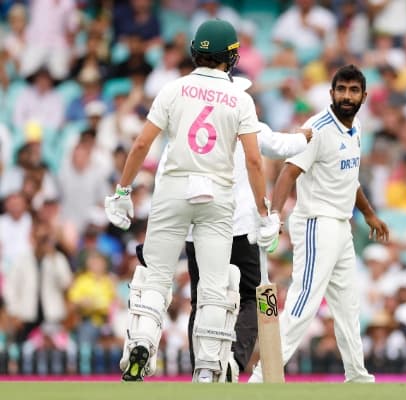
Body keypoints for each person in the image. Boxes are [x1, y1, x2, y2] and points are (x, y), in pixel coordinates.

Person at [104, 19, 280, 383]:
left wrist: (122, 192)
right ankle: (208, 368)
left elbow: (140, 144)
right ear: (230, 57)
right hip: (217, 195)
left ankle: (141, 341)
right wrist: (266, 212)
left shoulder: (173, 89)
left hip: (173, 191)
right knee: (215, 287)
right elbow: (252, 160)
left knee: (155, 278)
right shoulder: (241, 98)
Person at [135, 76, 312, 382]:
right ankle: (232, 360)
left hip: (197, 227)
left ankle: (201, 370)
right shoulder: (245, 120)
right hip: (239, 227)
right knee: (248, 300)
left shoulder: (185, 131)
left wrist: (157, 230)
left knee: (201, 300)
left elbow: (166, 177)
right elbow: (282, 145)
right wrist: (308, 134)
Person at [249, 64, 389, 383]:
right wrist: (275, 215)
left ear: (364, 96)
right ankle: (263, 374)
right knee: (303, 301)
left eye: (354, 90)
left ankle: (357, 374)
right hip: (316, 224)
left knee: (347, 305)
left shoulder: (356, 129)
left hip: (341, 226)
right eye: (341, 89)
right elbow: (289, 172)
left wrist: (368, 214)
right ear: (331, 93)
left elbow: (348, 180)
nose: (347, 96)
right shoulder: (319, 127)